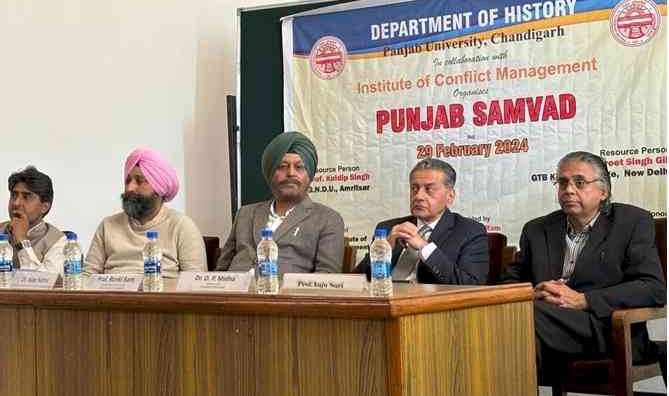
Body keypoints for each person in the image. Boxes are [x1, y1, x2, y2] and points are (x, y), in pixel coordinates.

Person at [502, 151, 666, 367]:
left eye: (579, 182)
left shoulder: (631, 222)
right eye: (562, 183)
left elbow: (652, 288)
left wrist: (583, 300)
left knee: (521, 318)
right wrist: (532, 294)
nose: (568, 190)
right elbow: (508, 282)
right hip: (544, 324)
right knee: (515, 321)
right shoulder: (537, 229)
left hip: (607, 328)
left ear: (603, 191)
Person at [216, 131, 345, 273]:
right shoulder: (245, 214)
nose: (290, 173)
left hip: (285, 294)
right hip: (233, 293)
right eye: (282, 166)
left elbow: (326, 279)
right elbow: (221, 271)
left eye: (299, 167)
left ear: (310, 175)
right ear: (270, 173)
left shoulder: (327, 219)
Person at [355, 158, 488, 284]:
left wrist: (425, 248)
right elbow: (358, 279)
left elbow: (471, 284)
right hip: (383, 300)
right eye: (414, 188)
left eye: (429, 189)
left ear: (450, 196)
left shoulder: (470, 231)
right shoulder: (388, 227)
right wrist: (384, 248)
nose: (418, 196)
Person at [84, 147, 206, 276]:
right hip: (112, 295)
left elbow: (195, 284)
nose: (130, 188)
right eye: (128, 180)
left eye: (139, 181)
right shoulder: (108, 225)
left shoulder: (182, 226)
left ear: (159, 188)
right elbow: (87, 276)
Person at [0, 166, 66, 272]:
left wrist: (22, 241)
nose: (16, 203)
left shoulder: (59, 241)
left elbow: (42, 284)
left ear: (44, 207)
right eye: (14, 195)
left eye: (26, 197)